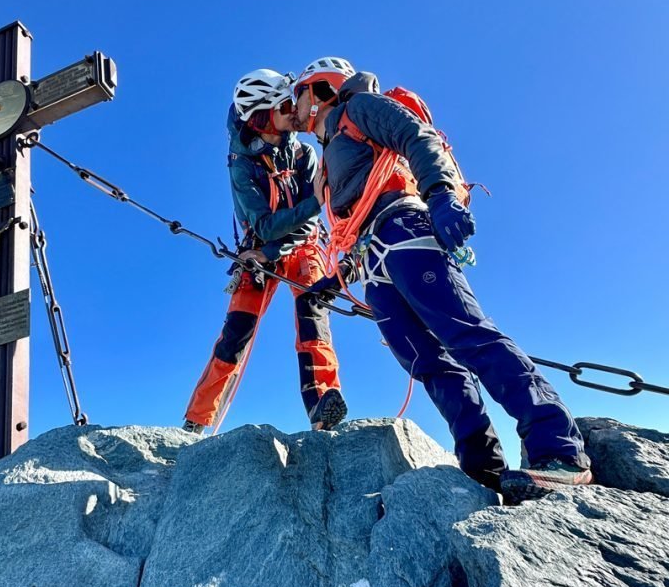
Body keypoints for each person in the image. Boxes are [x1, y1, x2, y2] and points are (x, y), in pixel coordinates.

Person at [295, 57, 592, 504]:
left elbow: (416, 136)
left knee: (467, 335)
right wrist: (337, 280)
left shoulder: (360, 110)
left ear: (320, 89)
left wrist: (439, 196)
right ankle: (483, 469)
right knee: (429, 365)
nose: (293, 105)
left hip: (405, 232)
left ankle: (559, 449)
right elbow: (356, 221)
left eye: (299, 93)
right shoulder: (331, 152)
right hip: (374, 258)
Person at [182, 69, 348, 435]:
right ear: (261, 115)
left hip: (299, 248)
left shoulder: (302, 153)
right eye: (286, 105)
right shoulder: (241, 165)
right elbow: (264, 225)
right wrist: (306, 209)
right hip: (257, 253)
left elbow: (308, 219)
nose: (296, 110)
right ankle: (196, 422)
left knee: (313, 315)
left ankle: (324, 406)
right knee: (235, 334)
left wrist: (275, 246)